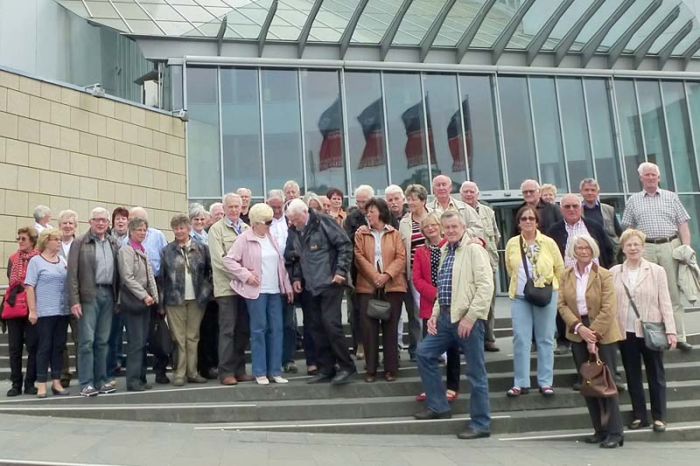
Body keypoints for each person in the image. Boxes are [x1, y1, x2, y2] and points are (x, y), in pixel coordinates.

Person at [414, 211, 494, 440]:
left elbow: (485, 287)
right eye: (446, 227)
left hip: (468, 320)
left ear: (463, 227)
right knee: (424, 353)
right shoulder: (446, 250)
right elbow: (444, 288)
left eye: (454, 227)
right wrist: (434, 315)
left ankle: (481, 423)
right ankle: (439, 406)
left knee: (476, 373)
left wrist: (471, 317)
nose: (450, 230)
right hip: (446, 318)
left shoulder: (474, 250)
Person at [557, 234, 624, 448]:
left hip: (603, 332)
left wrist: (593, 335)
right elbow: (562, 305)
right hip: (577, 332)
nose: (583, 251)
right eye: (579, 248)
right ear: (573, 251)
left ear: (593, 250)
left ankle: (615, 431)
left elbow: (609, 307)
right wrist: (579, 328)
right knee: (588, 383)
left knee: (606, 382)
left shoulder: (603, 275)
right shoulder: (566, 275)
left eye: (587, 248)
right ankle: (599, 429)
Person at [611, 229, 678, 433]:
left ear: (642, 247)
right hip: (626, 331)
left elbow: (665, 301)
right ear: (623, 248)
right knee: (632, 375)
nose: (632, 248)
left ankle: (659, 417)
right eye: (628, 245)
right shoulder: (614, 272)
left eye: (636, 245)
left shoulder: (656, 271)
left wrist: (671, 331)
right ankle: (639, 415)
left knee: (656, 374)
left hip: (651, 329)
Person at [621, 162, 692, 352]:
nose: (651, 177)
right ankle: (654, 333)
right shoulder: (633, 200)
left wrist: (686, 247)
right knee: (649, 293)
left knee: (672, 292)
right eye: (647, 175)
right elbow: (628, 228)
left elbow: (683, 224)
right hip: (646, 248)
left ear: (659, 178)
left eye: (654, 174)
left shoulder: (671, 197)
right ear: (641, 178)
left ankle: (679, 335)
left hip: (670, 245)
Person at [285, 199, 356, 385]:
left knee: (331, 325)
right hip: (310, 285)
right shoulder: (293, 230)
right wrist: (296, 278)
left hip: (331, 282)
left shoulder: (323, 222)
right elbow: (296, 257)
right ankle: (326, 368)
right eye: (290, 219)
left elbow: (345, 246)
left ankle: (347, 366)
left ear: (304, 212)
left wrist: (341, 272)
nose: (293, 222)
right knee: (316, 328)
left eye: (295, 218)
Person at [225, 203, 294, 385]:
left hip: (274, 290)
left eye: (271, 221)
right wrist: (247, 276)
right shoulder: (244, 239)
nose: (270, 225)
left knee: (277, 329)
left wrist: (287, 287)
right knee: (258, 330)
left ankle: (275, 370)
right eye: (267, 222)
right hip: (256, 292)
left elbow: (281, 265)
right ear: (256, 222)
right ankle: (260, 371)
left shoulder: (271, 237)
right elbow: (229, 261)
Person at [504, 206, 565, 398]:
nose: (528, 221)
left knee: (545, 339)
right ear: (519, 222)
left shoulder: (548, 242)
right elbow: (509, 268)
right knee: (521, 339)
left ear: (537, 222)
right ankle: (520, 382)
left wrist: (553, 288)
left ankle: (545, 382)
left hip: (546, 294)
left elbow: (560, 268)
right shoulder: (513, 243)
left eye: (531, 218)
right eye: (524, 218)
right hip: (521, 297)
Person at [547, 193, 614, 355]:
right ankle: (564, 341)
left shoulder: (594, 226)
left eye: (575, 206)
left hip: (593, 278)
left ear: (581, 207)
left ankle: (599, 340)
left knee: (596, 309)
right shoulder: (553, 230)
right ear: (561, 209)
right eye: (567, 207)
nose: (571, 209)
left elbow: (608, 248)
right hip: (567, 279)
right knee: (565, 309)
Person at [66, 207, 120, 397]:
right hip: (88, 295)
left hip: (108, 294)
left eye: (104, 220)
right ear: (90, 222)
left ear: (108, 223)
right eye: (96, 220)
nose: (100, 223)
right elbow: (72, 274)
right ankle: (87, 383)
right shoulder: (80, 242)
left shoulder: (113, 242)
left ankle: (101, 380)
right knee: (86, 341)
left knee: (103, 341)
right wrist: (74, 300)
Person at [354, 198, 407, 382]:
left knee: (391, 328)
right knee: (369, 329)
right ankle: (371, 369)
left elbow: (401, 257)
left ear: (382, 213)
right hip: (368, 287)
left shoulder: (395, 234)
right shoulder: (361, 234)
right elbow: (358, 256)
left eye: (372, 211)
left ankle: (391, 368)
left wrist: (386, 275)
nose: (368, 214)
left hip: (393, 286)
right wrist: (374, 276)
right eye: (367, 212)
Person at [160, 214, 213, 386]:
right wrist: (161, 303)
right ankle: (179, 373)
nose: (179, 231)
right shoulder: (167, 250)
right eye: (176, 228)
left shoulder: (202, 248)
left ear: (188, 228)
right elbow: (163, 278)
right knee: (178, 338)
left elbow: (209, 274)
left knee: (193, 336)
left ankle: (193, 372)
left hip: (197, 300)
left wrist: (205, 293)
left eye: (182, 227)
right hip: (174, 300)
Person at [412, 213, 460, 402]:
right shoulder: (420, 251)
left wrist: (444, 294)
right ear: (423, 231)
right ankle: (431, 387)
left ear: (440, 226)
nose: (431, 228)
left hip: (451, 304)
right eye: (426, 226)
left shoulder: (451, 246)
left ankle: (452, 386)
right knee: (428, 351)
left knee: (452, 348)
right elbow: (417, 279)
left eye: (433, 225)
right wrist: (435, 294)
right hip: (429, 304)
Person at [208, 193, 253, 385]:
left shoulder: (246, 229)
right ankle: (226, 372)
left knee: (243, 330)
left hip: (246, 289)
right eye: (231, 207)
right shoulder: (216, 230)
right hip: (227, 289)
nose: (234, 210)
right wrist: (242, 276)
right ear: (224, 209)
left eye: (237, 206)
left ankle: (239, 369)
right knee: (228, 330)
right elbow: (219, 262)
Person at [25, 230, 71, 398]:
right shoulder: (36, 261)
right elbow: (29, 286)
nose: (59, 242)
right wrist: (33, 310)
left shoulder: (62, 261)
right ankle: (42, 383)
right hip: (44, 311)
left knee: (59, 346)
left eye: (60, 240)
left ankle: (57, 382)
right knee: (44, 347)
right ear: (46, 241)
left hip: (62, 311)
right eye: (56, 239)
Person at [268, 189, 308, 375]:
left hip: (289, 274)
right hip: (269, 277)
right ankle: (274, 359)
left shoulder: (289, 224)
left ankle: (289, 358)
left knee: (289, 321)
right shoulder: (263, 225)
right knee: (271, 322)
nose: (276, 211)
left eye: (279, 207)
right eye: (273, 207)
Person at [128, 207, 169, 384]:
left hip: (157, 285)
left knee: (158, 333)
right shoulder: (125, 243)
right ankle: (140, 374)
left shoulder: (157, 235)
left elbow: (165, 259)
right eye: (133, 221)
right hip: (136, 290)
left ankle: (161, 369)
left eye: (139, 221)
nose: (139, 227)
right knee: (139, 336)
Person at [118, 217, 160, 392]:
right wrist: (144, 295)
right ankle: (133, 380)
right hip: (134, 301)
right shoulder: (126, 250)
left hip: (146, 302)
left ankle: (141, 378)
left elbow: (150, 276)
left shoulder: (142, 249)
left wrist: (154, 296)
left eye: (144, 230)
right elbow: (127, 277)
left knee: (142, 341)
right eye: (138, 230)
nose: (142, 233)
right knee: (135, 342)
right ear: (131, 232)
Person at [460, 181, 501, 352]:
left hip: (487, 263)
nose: (469, 195)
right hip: (465, 264)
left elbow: (496, 236)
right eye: (466, 192)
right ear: (461, 195)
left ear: (478, 194)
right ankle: (465, 340)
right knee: (465, 303)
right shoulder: (456, 211)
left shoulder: (488, 211)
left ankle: (488, 338)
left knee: (488, 302)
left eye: (472, 192)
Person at [5, 227, 39, 397]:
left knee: (33, 346)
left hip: (33, 307)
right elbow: (9, 279)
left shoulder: (39, 258)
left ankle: (30, 382)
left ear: (32, 241)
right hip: (15, 308)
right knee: (14, 348)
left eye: (23, 239)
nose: (20, 242)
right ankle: (15, 384)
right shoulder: (13, 259)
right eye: (18, 238)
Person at [398, 184, 430, 361]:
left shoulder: (435, 216)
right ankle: (417, 349)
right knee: (416, 312)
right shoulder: (404, 222)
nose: (410, 202)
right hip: (414, 273)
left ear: (423, 200)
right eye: (408, 199)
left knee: (433, 311)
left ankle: (434, 347)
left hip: (434, 273)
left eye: (413, 199)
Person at [344, 184, 375, 360]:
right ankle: (360, 344)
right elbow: (346, 242)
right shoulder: (351, 218)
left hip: (379, 270)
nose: (362, 205)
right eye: (358, 201)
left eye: (364, 201)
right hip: (356, 271)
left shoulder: (381, 214)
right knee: (356, 311)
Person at [106, 206, 129, 387]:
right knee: (114, 330)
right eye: (118, 219)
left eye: (124, 218)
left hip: (131, 291)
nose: (121, 221)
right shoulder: (107, 239)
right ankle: (114, 362)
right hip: (113, 291)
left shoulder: (134, 238)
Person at [56, 209, 79, 388]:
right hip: (58, 300)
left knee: (81, 339)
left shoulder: (81, 244)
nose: (68, 226)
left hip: (77, 299)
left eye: (71, 223)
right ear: (59, 225)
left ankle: (83, 371)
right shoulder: (52, 245)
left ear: (75, 226)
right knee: (60, 340)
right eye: (65, 223)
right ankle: (64, 374)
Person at [428, 175, 484, 240]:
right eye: (438, 185)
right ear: (433, 189)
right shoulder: (427, 210)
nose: (441, 188)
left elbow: (478, 229)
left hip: (461, 248)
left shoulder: (465, 208)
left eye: (444, 184)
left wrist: (459, 234)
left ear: (450, 188)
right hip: (436, 248)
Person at [580, 178, 623, 260]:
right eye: (586, 190)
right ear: (581, 192)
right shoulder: (577, 211)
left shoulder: (609, 209)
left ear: (598, 192)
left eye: (593, 190)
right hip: (586, 252)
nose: (590, 193)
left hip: (609, 253)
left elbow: (619, 232)